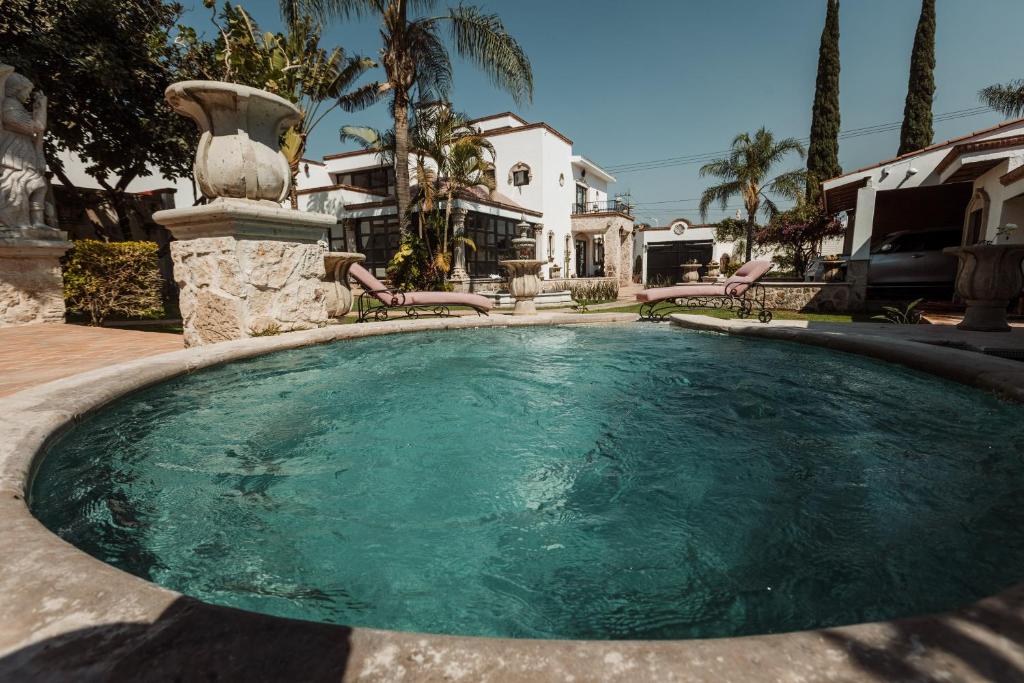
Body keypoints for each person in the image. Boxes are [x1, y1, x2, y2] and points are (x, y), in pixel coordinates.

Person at [0, 67, 51, 230]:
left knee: (37, 184)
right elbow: (38, 127)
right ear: (16, 90)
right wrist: (42, 107)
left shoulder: (17, 107)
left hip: (24, 152)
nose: (28, 95)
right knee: (26, 185)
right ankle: (17, 221)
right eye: (26, 91)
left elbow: (37, 132)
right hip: (13, 155)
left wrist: (39, 155)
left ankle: (36, 222)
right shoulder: (9, 107)